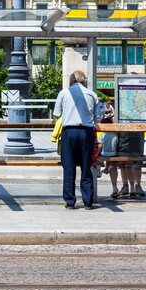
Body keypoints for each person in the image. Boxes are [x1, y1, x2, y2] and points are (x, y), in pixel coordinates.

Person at [53, 70, 99, 209]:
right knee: (86, 167)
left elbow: (57, 115)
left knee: (69, 168)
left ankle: (70, 202)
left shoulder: (64, 93)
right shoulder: (92, 94)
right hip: (87, 132)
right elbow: (95, 118)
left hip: (69, 132)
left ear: (71, 80)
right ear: (84, 81)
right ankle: (88, 202)